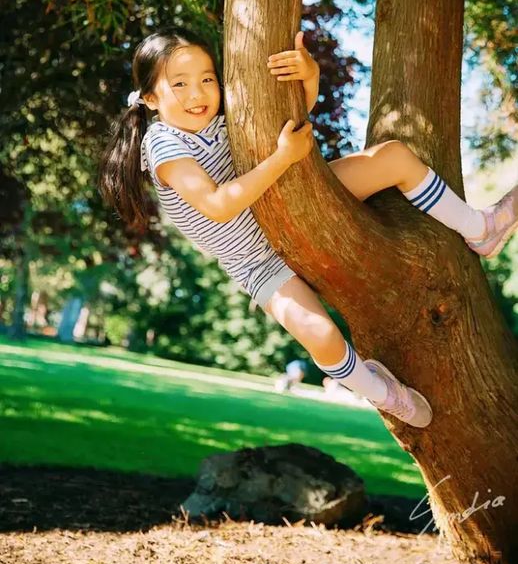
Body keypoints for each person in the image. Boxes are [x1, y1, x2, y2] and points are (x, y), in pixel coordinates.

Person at [98, 28, 518, 429]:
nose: (198, 93)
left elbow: (291, 124)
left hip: (295, 203)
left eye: (207, 79)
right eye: (180, 84)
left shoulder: (223, 119)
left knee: (392, 158)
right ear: (151, 98)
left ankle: (479, 228)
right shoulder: (163, 144)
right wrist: (282, 158)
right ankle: (380, 392)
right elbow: (217, 205)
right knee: (320, 334)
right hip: (257, 260)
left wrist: (309, 74)